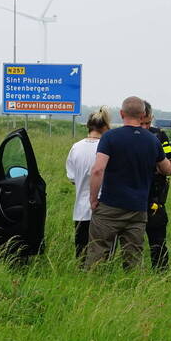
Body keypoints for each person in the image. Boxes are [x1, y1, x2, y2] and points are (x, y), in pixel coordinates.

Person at [84, 96, 171, 269]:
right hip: (138, 208)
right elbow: (167, 169)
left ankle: (93, 286)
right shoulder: (152, 140)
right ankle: (131, 289)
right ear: (142, 115)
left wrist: (93, 199)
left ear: (121, 113)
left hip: (110, 205)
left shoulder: (110, 137)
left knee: (98, 252)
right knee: (133, 257)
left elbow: (97, 170)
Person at [65, 107, 110, 258]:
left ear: (88, 126)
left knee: (81, 255)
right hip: (104, 210)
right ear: (105, 127)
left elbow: (72, 178)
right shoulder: (106, 148)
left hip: (80, 211)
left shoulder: (75, 148)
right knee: (103, 257)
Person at [140, 102, 171, 270]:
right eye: (141, 123)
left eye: (148, 122)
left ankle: (162, 275)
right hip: (131, 199)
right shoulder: (123, 136)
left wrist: (157, 166)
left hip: (155, 199)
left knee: (158, 244)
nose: (145, 127)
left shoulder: (160, 136)